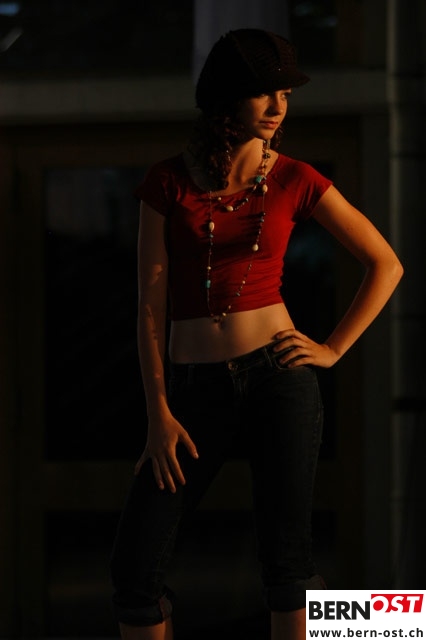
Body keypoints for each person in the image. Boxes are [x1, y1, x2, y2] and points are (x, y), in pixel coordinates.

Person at [110, 29, 403, 640]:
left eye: (285, 94)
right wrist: (158, 412)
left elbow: (386, 264)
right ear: (225, 97)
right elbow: (149, 307)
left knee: (287, 566)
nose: (278, 107)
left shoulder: (295, 177)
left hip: (279, 378)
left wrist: (332, 349)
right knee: (136, 569)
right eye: (263, 93)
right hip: (192, 391)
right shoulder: (167, 183)